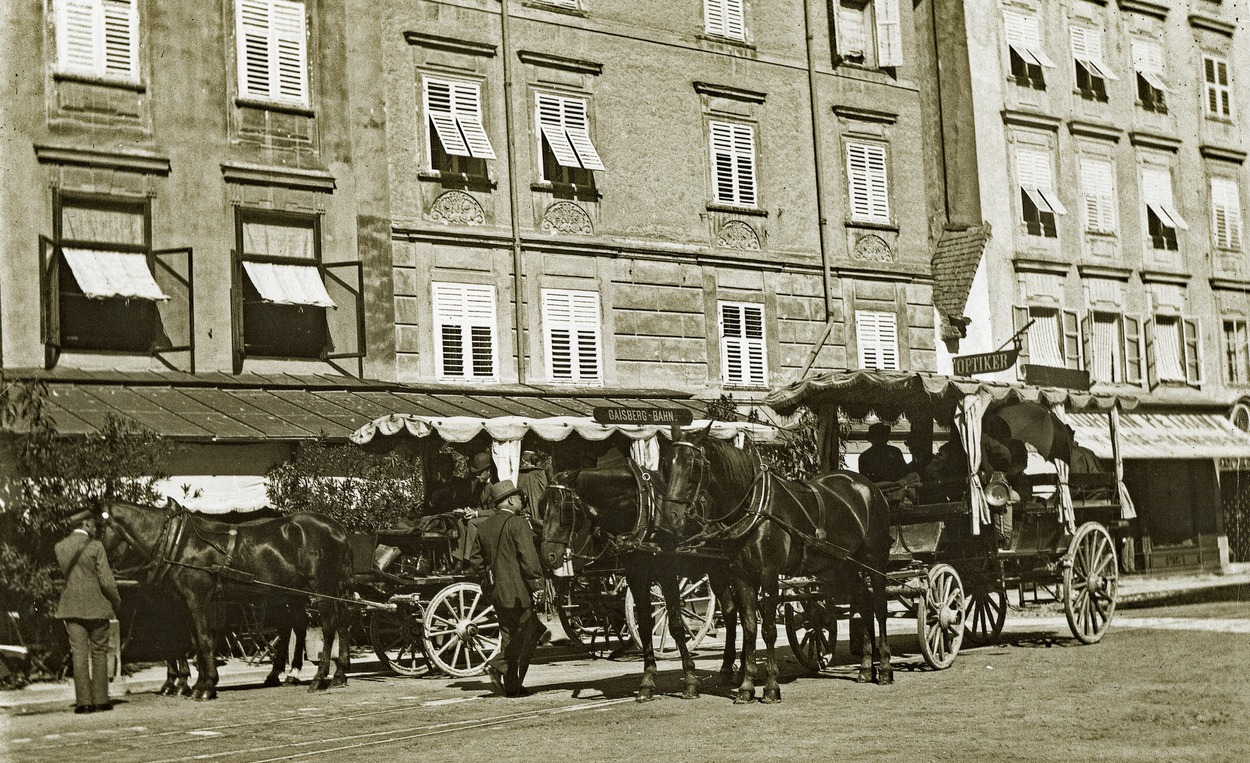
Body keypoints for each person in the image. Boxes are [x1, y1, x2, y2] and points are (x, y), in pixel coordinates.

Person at [468, 480, 546, 697]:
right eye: (519, 497)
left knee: (509, 636)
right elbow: (529, 560)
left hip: (497, 592)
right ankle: (496, 665)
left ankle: (512, 687)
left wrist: (490, 578)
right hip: (519, 592)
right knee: (530, 630)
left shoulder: (483, 527)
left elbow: (475, 561)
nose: (522, 500)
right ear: (511, 500)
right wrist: (538, 584)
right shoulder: (518, 524)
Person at [54, 510, 121, 714]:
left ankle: (83, 702)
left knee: (79, 654)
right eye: (92, 524)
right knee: (99, 652)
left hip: (71, 607)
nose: (94, 528)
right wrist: (116, 601)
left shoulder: (60, 547)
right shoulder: (96, 546)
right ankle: (101, 700)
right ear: (85, 523)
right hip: (97, 607)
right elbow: (106, 581)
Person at [453, 451, 498, 568]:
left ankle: (469, 561)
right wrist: (466, 511)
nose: (477, 476)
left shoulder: (495, 486)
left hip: (494, 518)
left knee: (472, 523)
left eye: (479, 473)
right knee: (461, 521)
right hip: (483, 517)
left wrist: (477, 513)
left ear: (489, 471)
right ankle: (459, 560)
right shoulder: (479, 484)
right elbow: (478, 505)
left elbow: (496, 510)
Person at [517, 450, 549, 523]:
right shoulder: (541, 473)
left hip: (525, 513)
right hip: (541, 513)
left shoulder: (520, 474)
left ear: (523, 460)